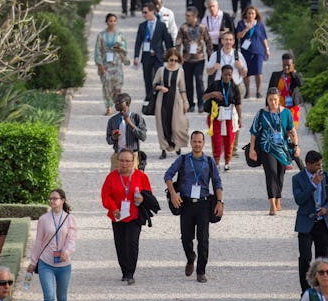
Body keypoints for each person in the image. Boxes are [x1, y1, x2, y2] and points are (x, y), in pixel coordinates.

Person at [164, 130, 224, 284]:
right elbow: (168, 176)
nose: (197, 144)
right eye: (194, 141)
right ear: (190, 143)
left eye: (200, 141)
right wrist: (173, 194)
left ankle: (201, 271)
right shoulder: (183, 159)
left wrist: (219, 202)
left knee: (203, 239)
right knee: (186, 237)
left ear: (204, 143)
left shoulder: (209, 162)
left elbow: (217, 182)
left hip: (204, 203)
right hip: (186, 203)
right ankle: (191, 258)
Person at [293, 150, 328, 293]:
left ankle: (322, 290)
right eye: (316, 165)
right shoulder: (297, 178)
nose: (320, 167)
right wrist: (313, 185)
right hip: (305, 223)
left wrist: (326, 208)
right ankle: (305, 292)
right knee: (305, 259)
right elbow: (299, 200)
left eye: (321, 164)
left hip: (322, 223)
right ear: (308, 165)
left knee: (322, 260)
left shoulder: (327, 177)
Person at [101, 149, 152, 285]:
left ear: (133, 162)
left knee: (132, 242)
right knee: (120, 243)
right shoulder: (111, 176)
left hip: (134, 214)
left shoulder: (141, 176)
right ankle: (124, 270)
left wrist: (141, 199)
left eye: (128, 161)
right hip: (117, 215)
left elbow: (148, 194)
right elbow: (105, 195)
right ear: (118, 161)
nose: (124, 164)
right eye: (122, 160)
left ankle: (130, 272)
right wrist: (113, 208)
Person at [26, 189, 77, 301]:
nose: (52, 201)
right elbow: (38, 242)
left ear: (62, 200)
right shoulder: (43, 219)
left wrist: (67, 251)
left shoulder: (70, 219)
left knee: (62, 298)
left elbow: (71, 239)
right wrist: (33, 262)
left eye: (55, 198)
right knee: (49, 297)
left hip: (64, 264)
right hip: (45, 262)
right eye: (50, 198)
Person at [249, 87, 297, 214]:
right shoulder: (261, 113)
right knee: (271, 174)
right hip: (267, 148)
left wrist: (296, 146)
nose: (273, 102)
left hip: (282, 149)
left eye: (275, 99)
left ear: (279, 99)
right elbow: (253, 132)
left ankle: (278, 199)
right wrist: (252, 149)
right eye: (270, 99)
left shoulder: (286, 113)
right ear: (267, 99)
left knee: (280, 175)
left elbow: (292, 131)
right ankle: (272, 204)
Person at [268, 51, 304, 169]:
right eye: (284, 65)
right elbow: (269, 92)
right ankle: (285, 159)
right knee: (280, 133)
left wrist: (293, 73)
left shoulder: (296, 76)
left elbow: (300, 84)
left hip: (293, 109)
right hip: (279, 109)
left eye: (289, 65)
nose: (286, 67)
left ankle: (291, 156)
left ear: (293, 65)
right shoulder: (276, 75)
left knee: (291, 132)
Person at [203, 63, 242, 170]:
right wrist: (213, 94)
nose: (227, 77)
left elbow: (238, 103)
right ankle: (216, 161)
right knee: (216, 139)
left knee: (229, 138)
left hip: (230, 115)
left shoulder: (234, 87)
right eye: (225, 75)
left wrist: (240, 118)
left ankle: (227, 161)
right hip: (216, 114)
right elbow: (204, 96)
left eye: (229, 75)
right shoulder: (215, 84)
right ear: (221, 74)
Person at [152, 47, 189, 159]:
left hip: (176, 99)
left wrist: (185, 102)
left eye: (175, 60)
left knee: (177, 125)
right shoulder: (161, 70)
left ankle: (177, 145)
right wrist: (160, 87)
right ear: (167, 59)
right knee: (162, 124)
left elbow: (182, 88)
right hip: (162, 99)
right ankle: (163, 148)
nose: (173, 62)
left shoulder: (180, 71)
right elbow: (154, 84)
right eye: (171, 60)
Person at [133, 2, 174, 103]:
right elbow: (138, 42)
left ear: (152, 12)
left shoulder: (161, 25)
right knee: (147, 77)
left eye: (146, 12)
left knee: (158, 77)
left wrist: (170, 55)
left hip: (158, 56)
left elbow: (167, 41)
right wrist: (136, 56)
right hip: (146, 56)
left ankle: (157, 96)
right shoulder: (142, 26)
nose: (144, 14)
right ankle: (149, 97)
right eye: (143, 12)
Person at [176, 7, 211, 112]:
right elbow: (178, 42)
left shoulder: (202, 27)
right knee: (188, 82)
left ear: (195, 17)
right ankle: (191, 104)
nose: (186, 18)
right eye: (186, 15)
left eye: (188, 16)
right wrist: (178, 56)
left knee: (199, 81)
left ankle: (201, 103)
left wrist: (210, 56)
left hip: (199, 59)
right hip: (186, 59)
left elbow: (208, 41)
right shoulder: (183, 27)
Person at [94, 13, 128, 116]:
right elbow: (97, 51)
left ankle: (117, 103)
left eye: (114, 21)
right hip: (105, 64)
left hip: (117, 64)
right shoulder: (101, 35)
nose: (112, 23)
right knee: (106, 86)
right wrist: (100, 65)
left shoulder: (120, 35)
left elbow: (125, 49)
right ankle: (108, 106)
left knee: (117, 86)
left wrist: (120, 49)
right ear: (106, 22)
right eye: (110, 21)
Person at [235, 5, 270, 98]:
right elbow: (238, 36)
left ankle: (258, 91)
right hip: (246, 51)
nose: (250, 15)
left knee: (258, 71)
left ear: (255, 15)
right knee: (247, 72)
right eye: (249, 13)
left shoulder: (259, 24)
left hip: (258, 50)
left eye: (253, 13)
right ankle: (247, 91)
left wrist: (267, 49)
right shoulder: (241, 24)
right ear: (245, 14)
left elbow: (263, 37)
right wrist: (246, 29)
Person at [106, 93, 147, 171]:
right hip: (117, 155)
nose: (116, 104)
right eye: (115, 102)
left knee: (132, 181)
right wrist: (113, 137)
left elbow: (143, 137)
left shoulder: (136, 118)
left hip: (132, 156)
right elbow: (108, 140)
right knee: (115, 180)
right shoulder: (112, 120)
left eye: (119, 102)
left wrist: (130, 123)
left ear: (127, 103)